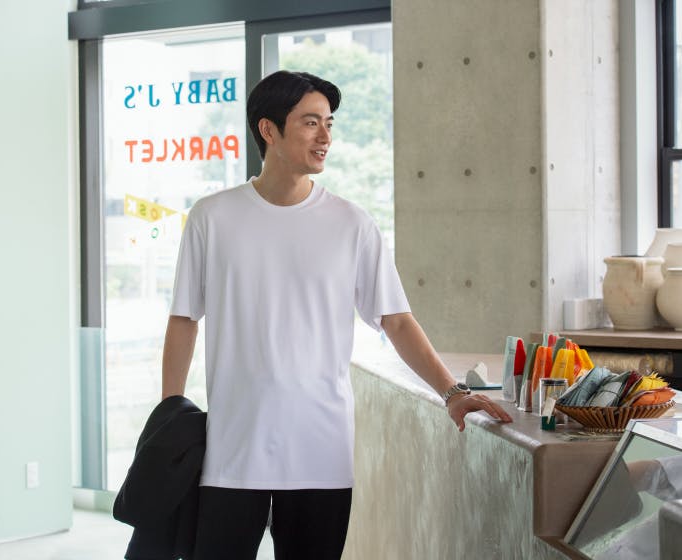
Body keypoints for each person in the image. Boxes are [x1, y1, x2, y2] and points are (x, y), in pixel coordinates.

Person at [162, 70, 513, 560]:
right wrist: (168, 416)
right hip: (232, 450)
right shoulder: (212, 217)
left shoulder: (352, 224)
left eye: (329, 123)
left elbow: (396, 320)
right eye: (310, 123)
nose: (325, 136)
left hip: (320, 451)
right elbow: (184, 319)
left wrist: (452, 393)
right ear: (268, 130)